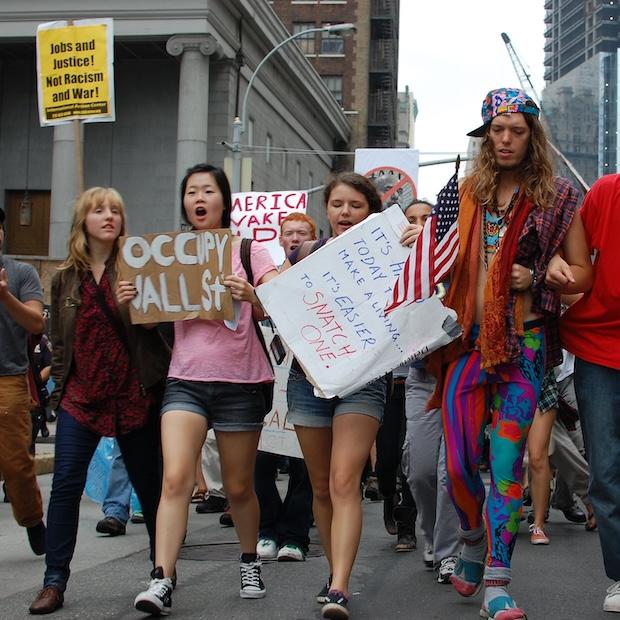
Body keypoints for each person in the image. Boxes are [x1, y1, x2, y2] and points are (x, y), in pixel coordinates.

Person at [426, 88, 592, 620]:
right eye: (497, 130)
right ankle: (472, 538)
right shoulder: (463, 192)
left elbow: (582, 272)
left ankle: (498, 579)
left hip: (527, 346)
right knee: (456, 466)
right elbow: (438, 257)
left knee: (506, 465)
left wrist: (539, 275)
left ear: (532, 136)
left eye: (516, 130)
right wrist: (417, 240)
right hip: (465, 345)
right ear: (484, 135)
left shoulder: (559, 197)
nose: (505, 139)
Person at [133, 164, 279, 616]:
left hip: (241, 382)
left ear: (223, 200)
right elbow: (152, 315)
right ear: (184, 203)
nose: (199, 198)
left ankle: (250, 559)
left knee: (237, 488)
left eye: (208, 190)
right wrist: (133, 297)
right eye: (191, 191)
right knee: (175, 478)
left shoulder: (249, 250)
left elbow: (281, 301)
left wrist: (252, 293)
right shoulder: (168, 253)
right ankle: (161, 577)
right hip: (185, 381)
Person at [283, 172, 419, 619]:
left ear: (371, 211)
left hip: (363, 381)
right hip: (309, 381)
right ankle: (332, 570)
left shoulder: (394, 252)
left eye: (355, 205)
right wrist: (254, 295)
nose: (344, 212)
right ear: (327, 210)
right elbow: (276, 308)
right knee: (321, 485)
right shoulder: (304, 254)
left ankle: (340, 586)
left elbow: (425, 291)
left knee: (345, 481)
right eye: (337, 204)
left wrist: (418, 248)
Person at [28, 187, 170, 615]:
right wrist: (59, 386)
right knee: (65, 488)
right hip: (81, 396)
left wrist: (137, 306)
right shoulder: (64, 277)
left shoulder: (138, 267)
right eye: (99, 210)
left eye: (115, 211)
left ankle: (161, 576)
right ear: (83, 221)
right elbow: (58, 339)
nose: (108, 216)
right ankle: (54, 582)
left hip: (133, 393)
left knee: (149, 487)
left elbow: (160, 328)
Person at [554, 173, 620, 614]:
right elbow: (569, 258)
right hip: (598, 350)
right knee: (606, 470)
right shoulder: (607, 192)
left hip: (596, 350)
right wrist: (566, 284)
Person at [401, 199, 460, 579]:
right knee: (421, 470)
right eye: (411, 220)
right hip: (421, 379)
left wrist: (434, 250)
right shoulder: (393, 267)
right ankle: (431, 532)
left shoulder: (454, 257)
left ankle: (449, 551)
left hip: (458, 375)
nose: (419, 226)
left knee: (451, 469)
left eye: (428, 219)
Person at [255, 212, 316, 562]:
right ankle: (266, 528)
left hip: (306, 380)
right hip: (268, 382)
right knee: (259, 461)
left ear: (312, 236)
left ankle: (295, 535)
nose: (294, 237)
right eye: (288, 233)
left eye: (302, 233)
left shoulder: (321, 275)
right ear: (280, 240)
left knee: (303, 465)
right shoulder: (267, 278)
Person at [0, 205, 47, 558]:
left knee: (16, 464)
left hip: (8, 379)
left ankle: (32, 520)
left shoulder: (20, 273)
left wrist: (5, 295)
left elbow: (36, 323)